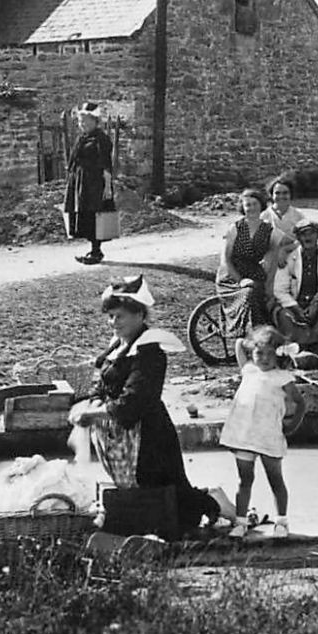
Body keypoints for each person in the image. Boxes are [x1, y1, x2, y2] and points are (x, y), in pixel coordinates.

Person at [72, 276, 210, 529]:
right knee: (145, 493)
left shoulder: (149, 351)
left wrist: (94, 415)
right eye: (111, 316)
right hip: (126, 434)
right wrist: (90, 401)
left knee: (167, 493)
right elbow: (104, 382)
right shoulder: (120, 344)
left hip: (149, 437)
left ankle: (216, 508)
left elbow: (134, 401)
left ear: (139, 315)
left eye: (119, 316)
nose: (113, 322)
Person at [220, 325, 301, 540]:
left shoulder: (282, 377)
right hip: (245, 436)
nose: (263, 359)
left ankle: (281, 521)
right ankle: (240, 521)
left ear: (278, 354)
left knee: (275, 479)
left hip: (268, 435)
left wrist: (292, 425)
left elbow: (299, 403)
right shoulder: (248, 370)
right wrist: (252, 343)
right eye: (259, 353)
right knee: (244, 480)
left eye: (269, 354)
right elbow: (239, 344)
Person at [217, 188, 293, 328]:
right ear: (243, 208)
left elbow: (292, 241)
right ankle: (250, 331)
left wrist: (282, 249)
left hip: (254, 274)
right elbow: (225, 259)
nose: (251, 208)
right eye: (248, 205)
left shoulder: (269, 230)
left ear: (261, 206)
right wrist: (240, 281)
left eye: (255, 204)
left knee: (268, 296)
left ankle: (264, 332)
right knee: (249, 293)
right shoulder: (235, 228)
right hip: (231, 277)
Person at [272, 216, 318, 369]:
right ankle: (297, 353)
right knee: (284, 315)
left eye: (311, 233)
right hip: (293, 305)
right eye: (303, 234)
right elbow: (280, 290)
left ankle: (317, 354)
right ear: (298, 238)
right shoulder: (289, 258)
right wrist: (295, 307)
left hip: (317, 304)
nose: (308, 237)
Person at [63, 102, 116, 265]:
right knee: (85, 213)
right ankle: (93, 249)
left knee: (95, 214)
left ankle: (96, 251)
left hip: (94, 182)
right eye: (80, 121)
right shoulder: (83, 138)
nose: (82, 124)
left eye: (86, 120)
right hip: (82, 181)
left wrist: (107, 187)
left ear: (95, 121)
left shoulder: (101, 139)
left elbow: (106, 165)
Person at [260, 175, 306, 240]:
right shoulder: (264, 216)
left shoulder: (299, 216)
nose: (281, 196)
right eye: (277, 193)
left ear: (290, 194)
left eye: (285, 193)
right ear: (271, 195)